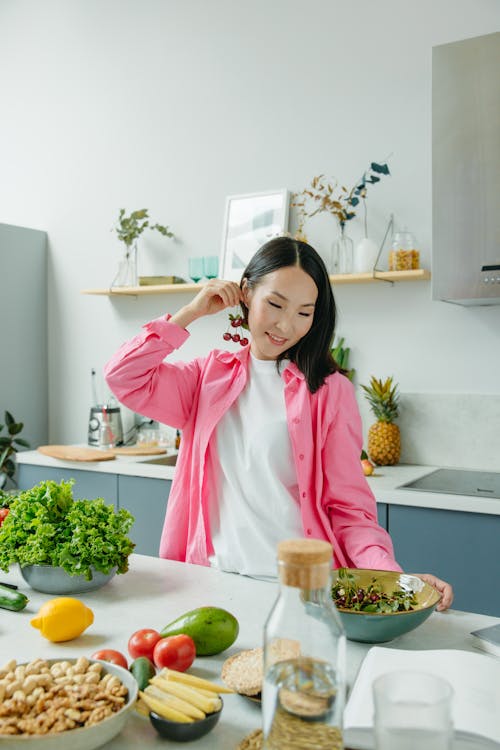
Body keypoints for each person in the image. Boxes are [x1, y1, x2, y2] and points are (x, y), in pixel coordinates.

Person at [104, 237, 453, 610]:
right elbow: (123, 376)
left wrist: (393, 580)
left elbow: (350, 511)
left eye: (304, 313)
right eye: (275, 304)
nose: (286, 325)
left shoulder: (329, 392)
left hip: (302, 596)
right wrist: (190, 312)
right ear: (246, 293)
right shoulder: (206, 378)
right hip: (211, 585)